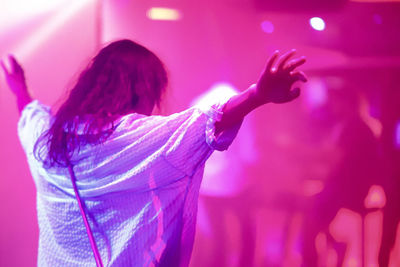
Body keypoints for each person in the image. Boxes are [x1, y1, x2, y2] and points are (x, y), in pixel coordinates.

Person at [2, 39, 306, 267]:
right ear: (142, 90)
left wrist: (19, 87)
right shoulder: (136, 138)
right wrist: (257, 96)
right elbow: (207, 120)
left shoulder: (46, 139)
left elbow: (28, 111)